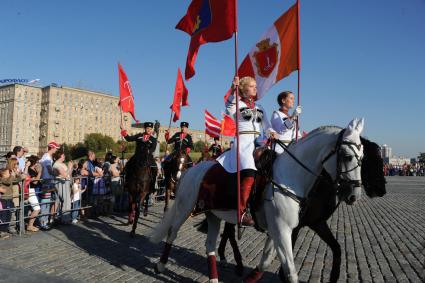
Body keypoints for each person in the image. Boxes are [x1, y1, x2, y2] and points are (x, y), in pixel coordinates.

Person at [217, 76, 277, 226]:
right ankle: (241, 211)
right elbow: (228, 105)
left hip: (259, 144)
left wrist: (271, 132)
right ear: (243, 89)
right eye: (252, 86)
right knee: (250, 172)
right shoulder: (236, 104)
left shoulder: (260, 107)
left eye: (255, 86)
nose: (255, 88)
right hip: (243, 143)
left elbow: (267, 125)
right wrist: (232, 88)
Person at [121, 122, 158, 190]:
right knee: (127, 165)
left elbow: (153, 148)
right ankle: (126, 182)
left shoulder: (153, 139)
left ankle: (152, 186)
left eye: (150, 129)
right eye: (147, 128)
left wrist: (148, 151)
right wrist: (123, 131)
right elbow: (129, 139)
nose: (149, 130)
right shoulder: (139, 136)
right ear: (145, 129)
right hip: (137, 156)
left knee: (155, 167)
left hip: (147, 157)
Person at [39, 141, 60, 229]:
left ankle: (45, 221)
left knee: (48, 202)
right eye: (56, 148)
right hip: (47, 181)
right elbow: (50, 170)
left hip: (48, 181)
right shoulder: (47, 157)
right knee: (45, 203)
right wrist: (57, 173)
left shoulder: (47, 156)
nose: (56, 150)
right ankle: (43, 223)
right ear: (52, 148)